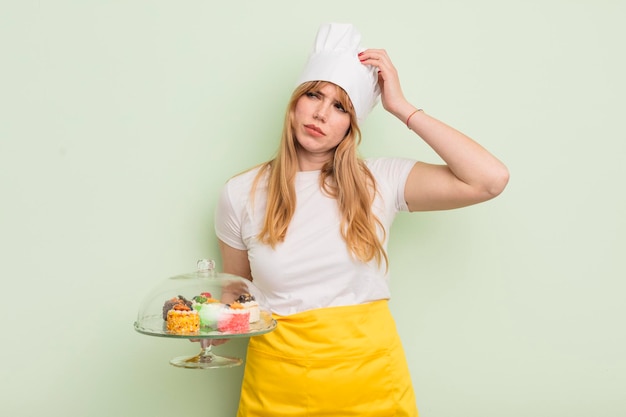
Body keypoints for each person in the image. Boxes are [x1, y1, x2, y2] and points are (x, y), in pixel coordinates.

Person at [214, 23, 509, 417]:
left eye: (340, 106)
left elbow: (490, 179)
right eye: (314, 95)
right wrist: (200, 328)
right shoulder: (241, 192)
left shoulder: (381, 181)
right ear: (295, 102)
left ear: (352, 125)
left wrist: (402, 107)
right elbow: (238, 295)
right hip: (277, 387)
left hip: (373, 386)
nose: (320, 113)